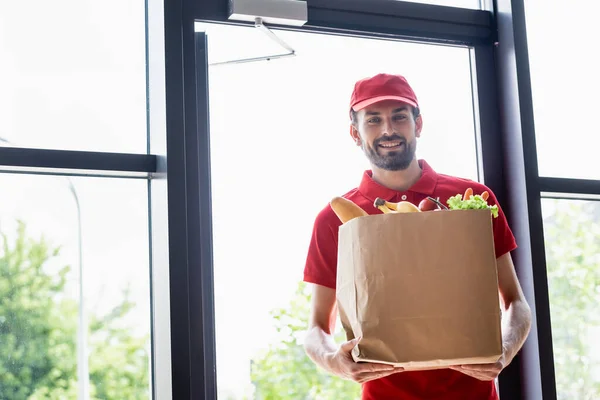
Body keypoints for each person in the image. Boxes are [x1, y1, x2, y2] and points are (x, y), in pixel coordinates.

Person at [302, 73, 532, 399]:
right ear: (355, 133)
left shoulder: (472, 200)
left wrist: (505, 350)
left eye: (399, 116)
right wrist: (334, 361)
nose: (388, 130)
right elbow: (316, 328)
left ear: (418, 124)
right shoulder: (335, 219)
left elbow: (516, 303)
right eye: (373, 120)